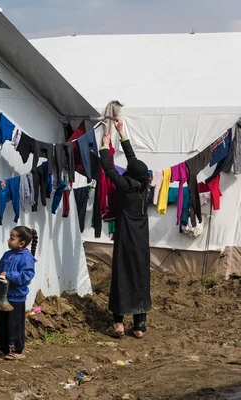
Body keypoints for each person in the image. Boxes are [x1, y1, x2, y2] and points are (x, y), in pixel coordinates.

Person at [99, 118, 152, 339]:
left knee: (121, 276)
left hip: (124, 239)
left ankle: (119, 324)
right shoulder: (144, 185)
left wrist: (104, 145)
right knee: (140, 277)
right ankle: (139, 326)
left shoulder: (124, 185)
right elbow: (133, 161)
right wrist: (122, 133)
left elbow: (109, 168)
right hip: (141, 243)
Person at [0, 226, 37, 360]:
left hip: (16, 298)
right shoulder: (7, 254)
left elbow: (27, 276)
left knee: (15, 324)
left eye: (12, 238)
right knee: (2, 324)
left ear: (22, 243)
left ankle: (17, 350)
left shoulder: (26, 258)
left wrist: (9, 275)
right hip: (2, 297)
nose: (8, 240)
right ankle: (3, 347)